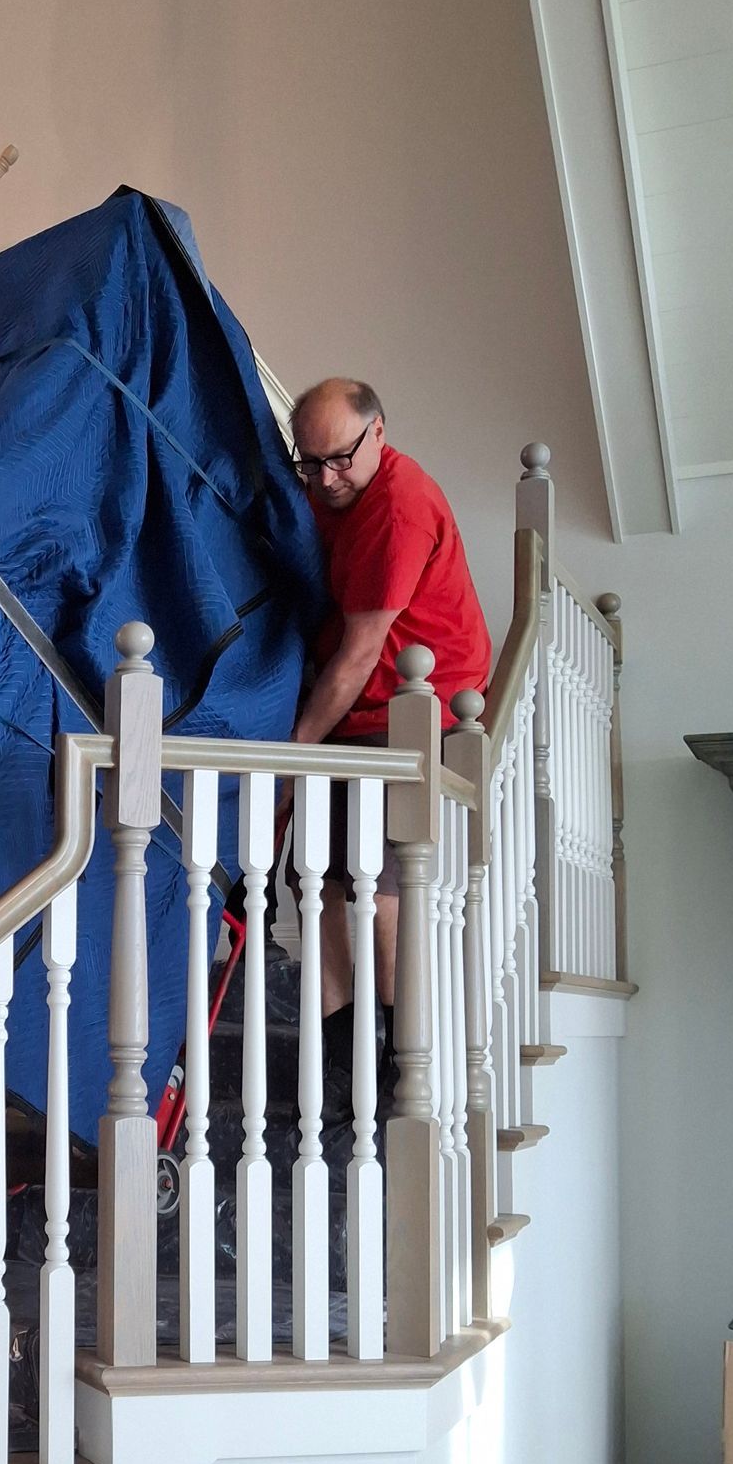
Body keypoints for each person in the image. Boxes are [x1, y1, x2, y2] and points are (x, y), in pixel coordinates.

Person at [288, 378, 491, 1102]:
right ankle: (346, 1059)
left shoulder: (399, 509)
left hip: (414, 714)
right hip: (358, 712)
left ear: (379, 432)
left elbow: (358, 654)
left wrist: (295, 754)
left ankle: (404, 1068)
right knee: (314, 883)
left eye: (339, 459)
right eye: (309, 464)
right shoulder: (325, 489)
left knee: (375, 890)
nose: (325, 480)